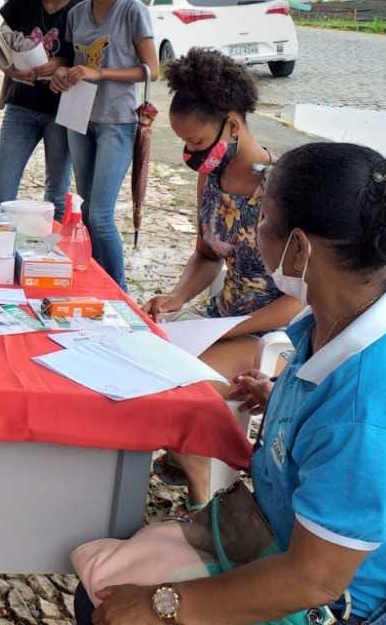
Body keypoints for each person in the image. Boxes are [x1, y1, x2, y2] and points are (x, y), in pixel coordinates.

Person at [69, 143, 386, 625]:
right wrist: (286, 404)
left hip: (362, 604)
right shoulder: (372, 301)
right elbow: (349, 442)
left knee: (111, 606)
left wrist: (164, 605)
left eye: (263, 218)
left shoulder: (372, 402)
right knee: (102, 588)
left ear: (300, 247)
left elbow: (315, 579)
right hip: (296, 544)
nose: (254, 230)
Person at [144, 49, 301, 509]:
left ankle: (205, 497)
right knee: (140, 355)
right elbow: (206, 255)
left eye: (196, 144)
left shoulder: (281, 192)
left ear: (233, 126)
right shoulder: (211, 179)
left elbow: (298, 300)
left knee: (184, 389)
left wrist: (226, 328)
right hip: (220, 320)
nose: (190, 156)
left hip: (276, 330)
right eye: (185, 146)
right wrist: (176, 298)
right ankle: (185, 458)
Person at [53, 0, 159, 289]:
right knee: (83, 210)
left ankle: (119, 291)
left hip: (118, 121)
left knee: (100, 215)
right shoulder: (78, 13)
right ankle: (96, 284)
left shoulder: (133, 12)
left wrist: (102, 73)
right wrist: (61, 76)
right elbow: (74, 62)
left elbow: (152, 70)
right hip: (79, 117)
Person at [0, 0, 86, 221]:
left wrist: (61, 64)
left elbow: (91, 61)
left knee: (56, 195)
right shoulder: (22, 3)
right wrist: (9, 68)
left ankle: (50, 258)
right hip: (21, 107)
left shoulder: (83, 11)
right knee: (1, 192)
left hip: (62, 112)